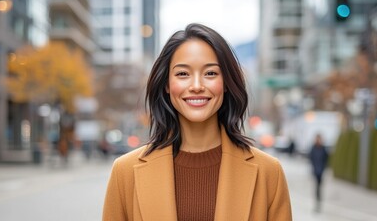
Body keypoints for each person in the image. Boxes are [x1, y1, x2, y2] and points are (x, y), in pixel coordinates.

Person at [102, 23, 292, 221]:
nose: (196, 86)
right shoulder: (124, 173)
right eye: (182, 74)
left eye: (210, 73)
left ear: (226, 83)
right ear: (166, 84)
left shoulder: (269, 173)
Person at [309, 133, 329, 212]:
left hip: (321, 171)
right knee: (317, 187)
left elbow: (326, 159)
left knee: (319, 187)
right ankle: (317, 202)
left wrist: (324, 168)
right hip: (315, 171)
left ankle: (319, 201)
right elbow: (311, 159)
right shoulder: (313, 148)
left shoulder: (323, 149)